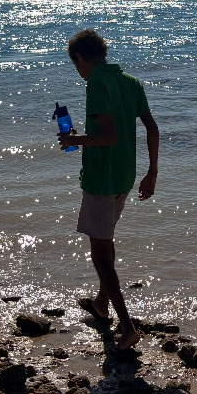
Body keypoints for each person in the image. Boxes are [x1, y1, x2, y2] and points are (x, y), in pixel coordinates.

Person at [61, 28, 158, 351]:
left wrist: (74, 140)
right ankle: (101, 304)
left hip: (101, 179)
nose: (78, 71)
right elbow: (152, 127)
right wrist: (152, 172)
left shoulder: (96, 83)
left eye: (75, 64)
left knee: (100, 255)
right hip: (125, 175)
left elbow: (107, 136)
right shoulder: (130, 81)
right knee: (106, 239)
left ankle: (127, 327)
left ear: (80, 58)